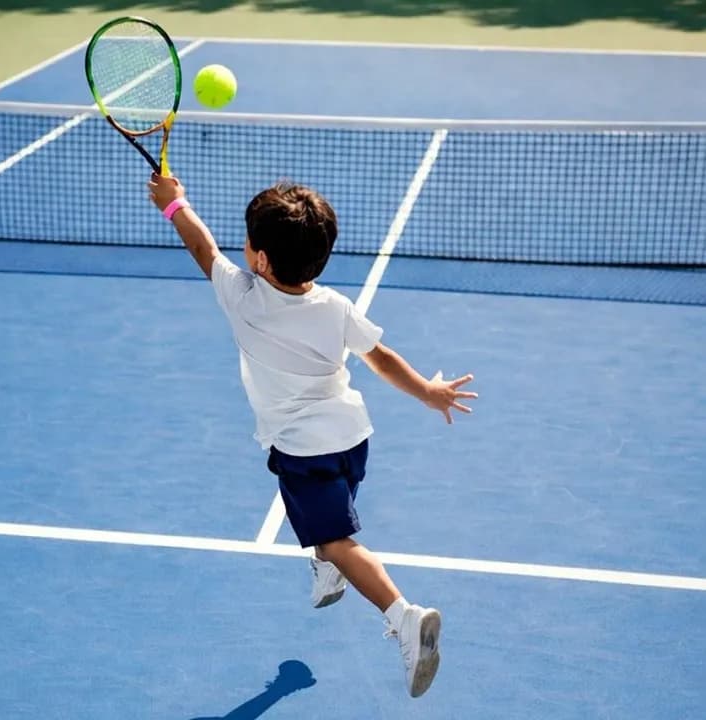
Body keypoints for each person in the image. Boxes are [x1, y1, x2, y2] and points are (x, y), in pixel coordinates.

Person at [148, 173, 478, 698]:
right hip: (353, 438)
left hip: (303, 452)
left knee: (336, 540)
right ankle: (327, 569)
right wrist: (428, 393)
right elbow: (380, 358)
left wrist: (174, 204)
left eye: (249, 241)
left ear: (260, 260)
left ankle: (404, 616)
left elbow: (201, 247)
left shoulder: (242, 299)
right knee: (331, 525)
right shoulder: (335, 306)